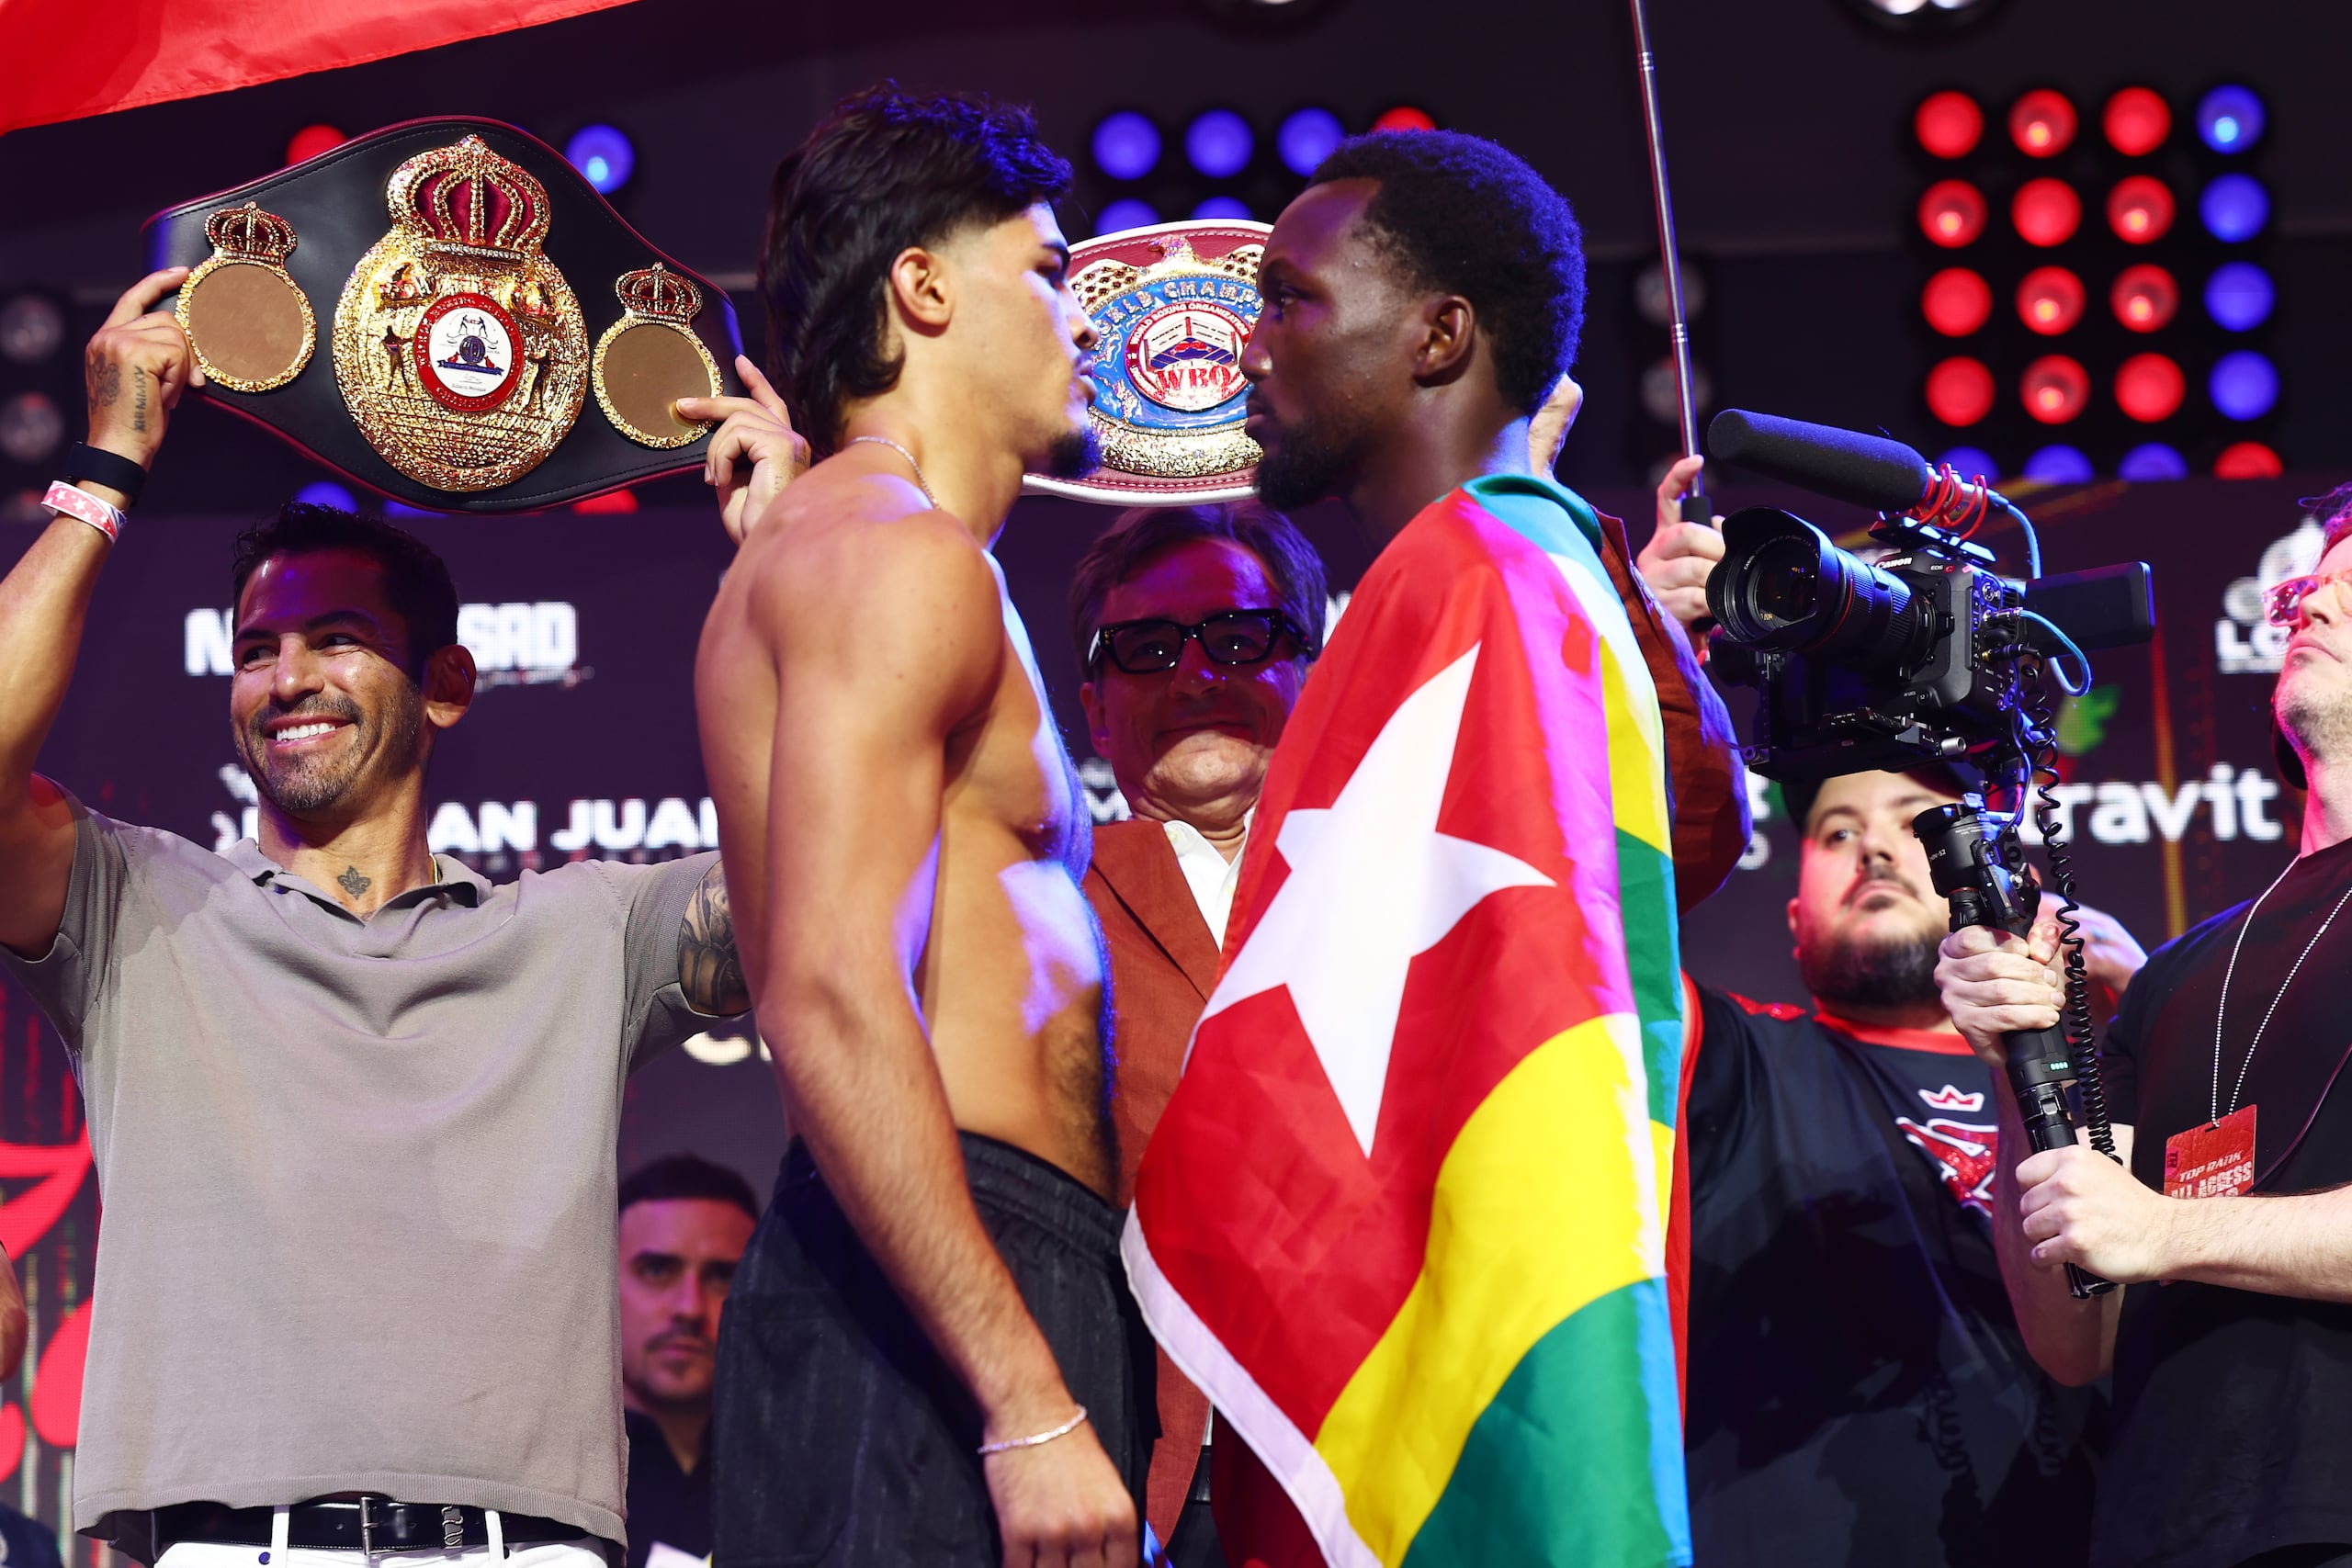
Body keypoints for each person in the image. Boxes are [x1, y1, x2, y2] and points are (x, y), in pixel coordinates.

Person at [0, 272, 772, 1567]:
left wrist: (787, 553)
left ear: (446, 685)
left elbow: (836, 875)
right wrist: (107, 461)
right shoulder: (132, 903)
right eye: (256, 648)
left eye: (337, 636)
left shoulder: (586, 932)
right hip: (218, 1548)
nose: (286, 675)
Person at [1138, 126, 1747, 1566]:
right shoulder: (1440, 584)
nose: (1247, 349)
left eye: (1288, 298)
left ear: (1439, 335)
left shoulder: (1500, 571)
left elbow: (1654, 872)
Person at [697, 88, 1146, 1568]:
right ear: (927, 285)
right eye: (1054, 271)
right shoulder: (892, 557)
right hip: (940, 1295)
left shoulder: (863, 548)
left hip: (966, 1271)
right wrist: (1025, 1398)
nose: (1083, 318)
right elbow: (827, 992)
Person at [1939, 483, 2352, 1568]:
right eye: (2315, 580)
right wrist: (2018, 1058)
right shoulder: (2177, 973)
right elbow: (2075, 1333)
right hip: (2154, 1534)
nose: (2313, 600)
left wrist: (2169, 1232)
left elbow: (2143, 1235)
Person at [1674, 764, 2139, 1564]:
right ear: (1794, 917)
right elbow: (1578, 922)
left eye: (1918, 822)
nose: (1877, 851)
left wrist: (2149, 1000)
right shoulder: (1733, 1056)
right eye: (1838, 832)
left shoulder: (2125, 1077)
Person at [1066, 500, 1327, 1564]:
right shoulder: (1031, 903)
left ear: (1307, 668)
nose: (1195, 676)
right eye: (1145, 649)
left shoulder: (1406, 869)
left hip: (1386, 1458)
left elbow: (1648, 838)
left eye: (1236, 638)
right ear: (1093, 708)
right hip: (1151, 1477)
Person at [618, 1156, 760, 1568]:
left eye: (721, 1276)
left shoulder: (803, 1478)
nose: (689, 1308)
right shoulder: (546, 1483)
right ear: (604, 1283)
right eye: (658, 1269)